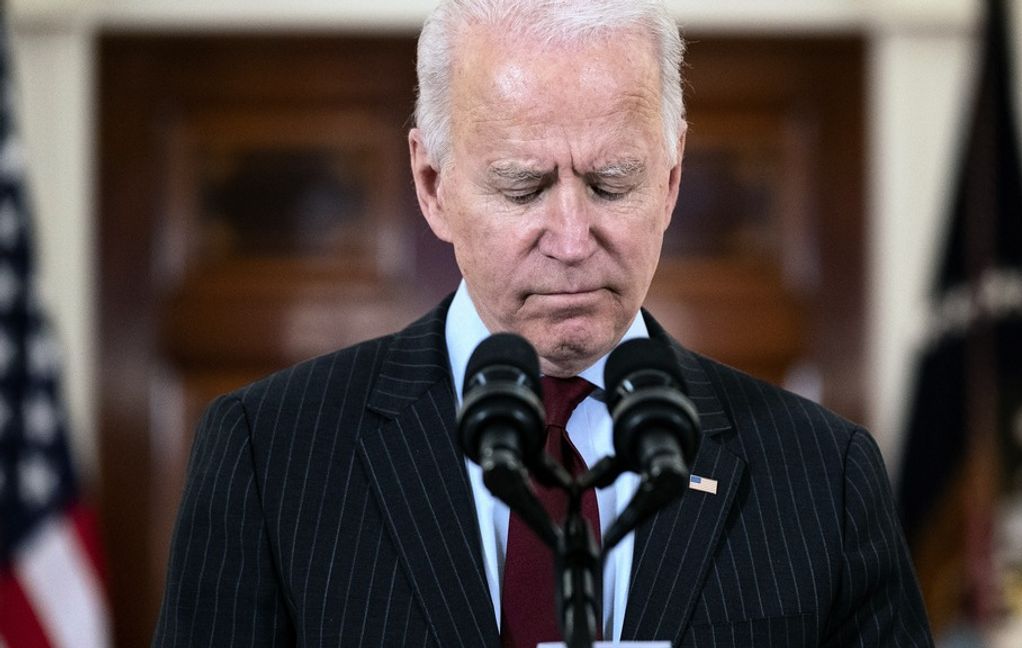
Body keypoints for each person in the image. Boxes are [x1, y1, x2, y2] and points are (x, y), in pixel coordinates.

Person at [153, 0, 933, 646]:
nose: (569, 239)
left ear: (670, 178)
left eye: (611, 181)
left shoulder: (823, 477)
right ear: (432, 185)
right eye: (524, 187)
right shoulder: (270, 455)